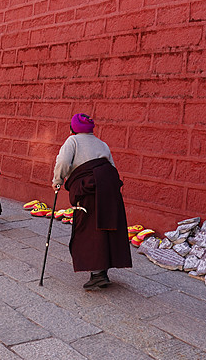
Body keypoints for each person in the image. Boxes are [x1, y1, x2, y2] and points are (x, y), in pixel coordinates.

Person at [52, 113, 132, 290]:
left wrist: (58, 180)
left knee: (88, 229)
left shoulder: (72, 141)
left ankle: (97, 274)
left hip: (88, 190)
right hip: (108, 189)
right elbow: (111, 167)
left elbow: (63, 161)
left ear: (73, 128)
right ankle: (101, 272)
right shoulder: (102, 144)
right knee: (104, 228)